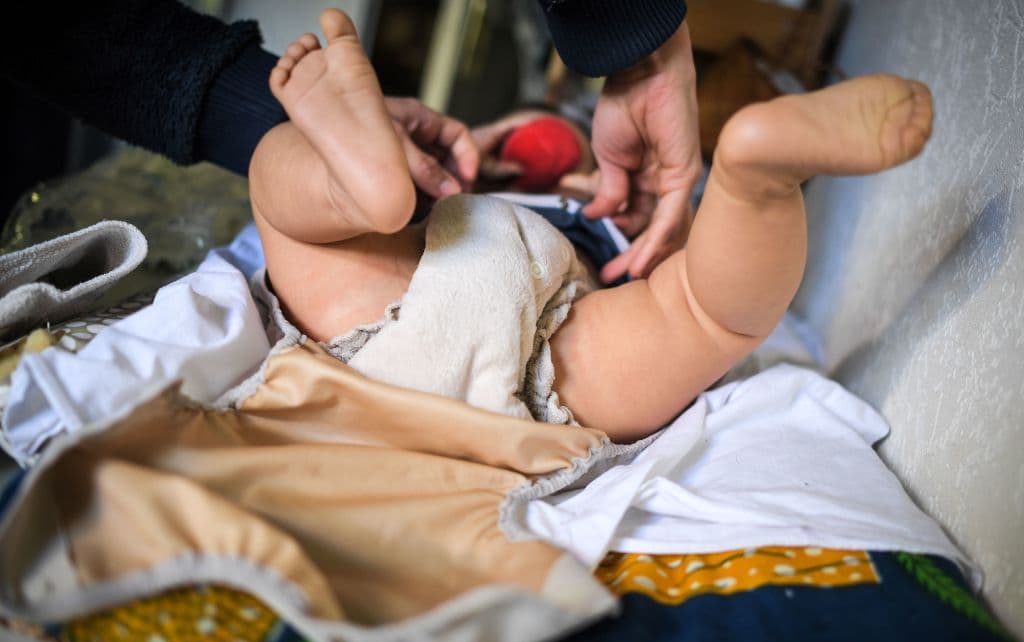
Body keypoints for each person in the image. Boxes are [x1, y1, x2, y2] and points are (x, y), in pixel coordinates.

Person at [248, 9, 932, 443]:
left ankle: (352, 185)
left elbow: (571, 167)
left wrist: (654, 224)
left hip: (407, 324)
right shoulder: (498, 185)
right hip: (544, 350)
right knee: (699, 312)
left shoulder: (604, 213)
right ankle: (755, 177)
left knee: (279, 195)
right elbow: (692, 283)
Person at [1, 0, 696, 278]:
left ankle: (349, 174)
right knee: (318, 210)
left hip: (424, 245)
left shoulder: (609, 242)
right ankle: (351, 173)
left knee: (292, 196)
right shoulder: (584, 210)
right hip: (450, 241)